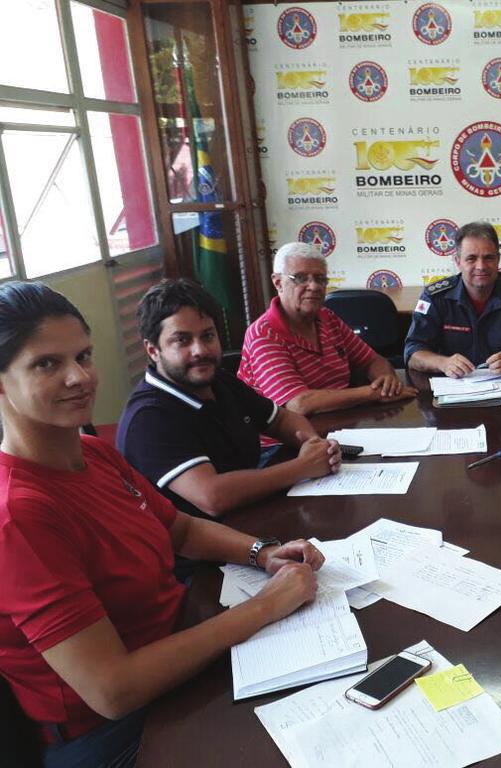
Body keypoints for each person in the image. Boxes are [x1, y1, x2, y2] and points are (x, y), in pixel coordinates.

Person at [0, 282, 323, 767]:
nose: (79, 377)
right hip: (121, 728)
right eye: (47, 364)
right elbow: (113, 689)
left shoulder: (94, 453)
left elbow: (181, 530)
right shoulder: (18, 514)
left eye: (83, 356)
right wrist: (264, 607)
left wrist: (261, 552)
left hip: (181, 647)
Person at [117, 279, 341, 532]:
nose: (200, 350)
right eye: (182, 340)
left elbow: (281, 419)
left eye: (208, 336)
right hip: (201, 560)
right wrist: (302, 467)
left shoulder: (218, 380)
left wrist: (314, 445)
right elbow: (213, 497)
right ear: (153, 350)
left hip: (251, 520)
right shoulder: (149, 418)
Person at [239, 242, 416, 416]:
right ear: (278, 282)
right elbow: (299, 404)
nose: (314, 286)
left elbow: (372, 361)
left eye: (320, 279)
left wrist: (385, 382)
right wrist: (372, 393)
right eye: (301, 278)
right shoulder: (263, 334)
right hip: (288, 440)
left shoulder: (327, 318)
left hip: (339, 423)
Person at [404, 221, 501, 378]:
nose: (481, 266)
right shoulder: (435, 296)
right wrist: (443, 363)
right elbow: (413, 352)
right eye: (471, 258)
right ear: (457, 261)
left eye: (488, 258)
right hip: (452, 388)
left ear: (498, 260)